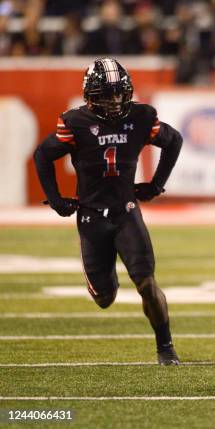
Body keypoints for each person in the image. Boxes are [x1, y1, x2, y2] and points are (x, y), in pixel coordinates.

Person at [33, 57, 182, 365]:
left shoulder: (142, 116)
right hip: (90, 216)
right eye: (106, 94)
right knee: (105, 298)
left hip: (126, 211)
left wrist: (156, 184)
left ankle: (165, 347)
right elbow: (43, 155)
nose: (114, 100)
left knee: (146, 282)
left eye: (118, 93)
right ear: (91, 95)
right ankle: (102, 278)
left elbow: (173, 140)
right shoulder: (74, 121)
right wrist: (56, 199)